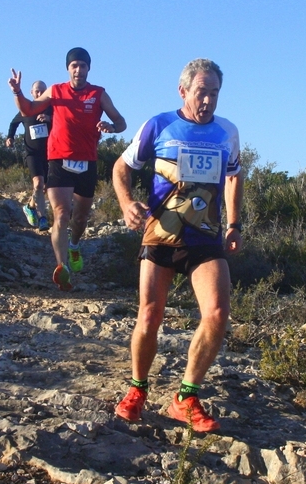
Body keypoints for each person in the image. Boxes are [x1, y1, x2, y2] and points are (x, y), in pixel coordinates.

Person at [112, 58, 243, 432]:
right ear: (183, 90)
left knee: (217, 314)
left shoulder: (227, 132)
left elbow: (234, 176)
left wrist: (234, 224)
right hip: (161, 235)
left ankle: (186, 397)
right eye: (202, 91)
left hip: (206, 239)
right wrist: (125, 203)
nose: (208, 100)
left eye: (215, 93)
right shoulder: (159, 124)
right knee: (150, 315)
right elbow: (122, 168)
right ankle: (137, 388)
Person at [8, 47, 126, 291]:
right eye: (74, 65)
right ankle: (62, 267)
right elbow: (28, 110)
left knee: (80, 218)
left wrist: (110, 128)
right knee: (61, 214)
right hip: (59, 160)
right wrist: (18, 91)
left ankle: (74, 245)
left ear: (88, 68)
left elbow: (121, 122)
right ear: (68, 68)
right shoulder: (56, 90)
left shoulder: (99, 94)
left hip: (87, 162)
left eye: (83, 65)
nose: (78, 70)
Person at [6, 80, 52, 231]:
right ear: (32, 93)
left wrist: (50, 119)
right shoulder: (25, 110)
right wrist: (10, 137)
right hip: (32, 153)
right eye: (37, 91)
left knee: (44, 188)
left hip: (49, 153)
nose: (39, 93)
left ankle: (30, 207)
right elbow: (14, 123)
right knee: (38, 184)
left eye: (42, 91)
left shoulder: (52, 109)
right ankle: (43, 219)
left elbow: (64, 123)